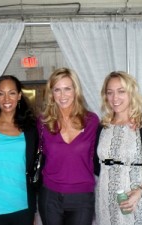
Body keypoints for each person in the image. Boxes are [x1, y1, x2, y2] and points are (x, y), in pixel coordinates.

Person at [94, 71, 142, 225]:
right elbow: (96, 166)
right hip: (104, 200)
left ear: (131, 93)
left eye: (121, 91)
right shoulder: (102, 127)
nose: (115, 98)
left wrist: (140, 192)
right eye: (110, 92)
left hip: (131, 200)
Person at [37, 67, 99, 225]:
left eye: (67, 89)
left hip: (82, 197)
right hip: (50, 195)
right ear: (52, 94)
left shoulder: (91, 121)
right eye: (57, 90)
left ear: (75, 90)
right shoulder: (43, 122)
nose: (62, 95)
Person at [0, 75, 38, 225]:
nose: (6, 99)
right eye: (0, 93)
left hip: (22, 204)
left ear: (19, 96)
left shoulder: (32, 127)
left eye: (11, 93)